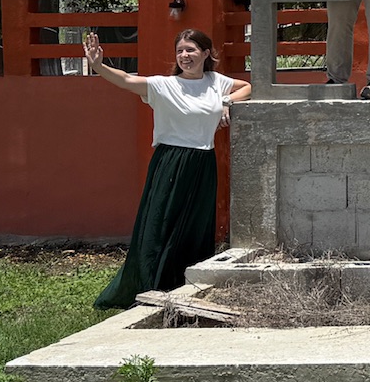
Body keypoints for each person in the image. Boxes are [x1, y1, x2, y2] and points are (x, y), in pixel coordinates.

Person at [82, 28, 249, 310]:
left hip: (202, 163)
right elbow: (125, 80)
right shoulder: (163, 86)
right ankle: (150, 285)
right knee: (160, 225)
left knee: (196, 226)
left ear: (206, 54)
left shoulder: (215, 81)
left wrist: (227, 102)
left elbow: (247, 87)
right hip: (170, 161)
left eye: (191, 50)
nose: (185, 56)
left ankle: (187, 286)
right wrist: (98, 65)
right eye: (180, 51)